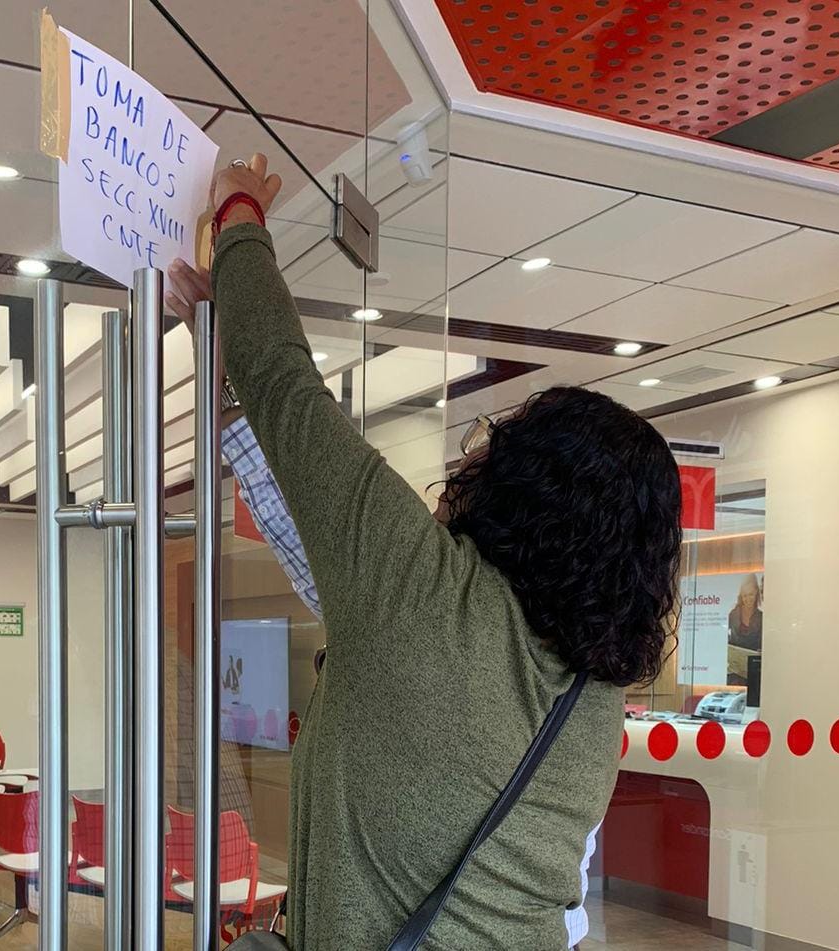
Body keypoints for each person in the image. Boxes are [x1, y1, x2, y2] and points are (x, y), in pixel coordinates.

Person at [167, 153, 683, 950]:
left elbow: (285, 381)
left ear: (524, 491)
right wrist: (234, 383)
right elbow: (329, 578)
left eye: (492, 446)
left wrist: (239, 214)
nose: (471, 458)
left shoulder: (422, 596)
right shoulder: (593, 694)